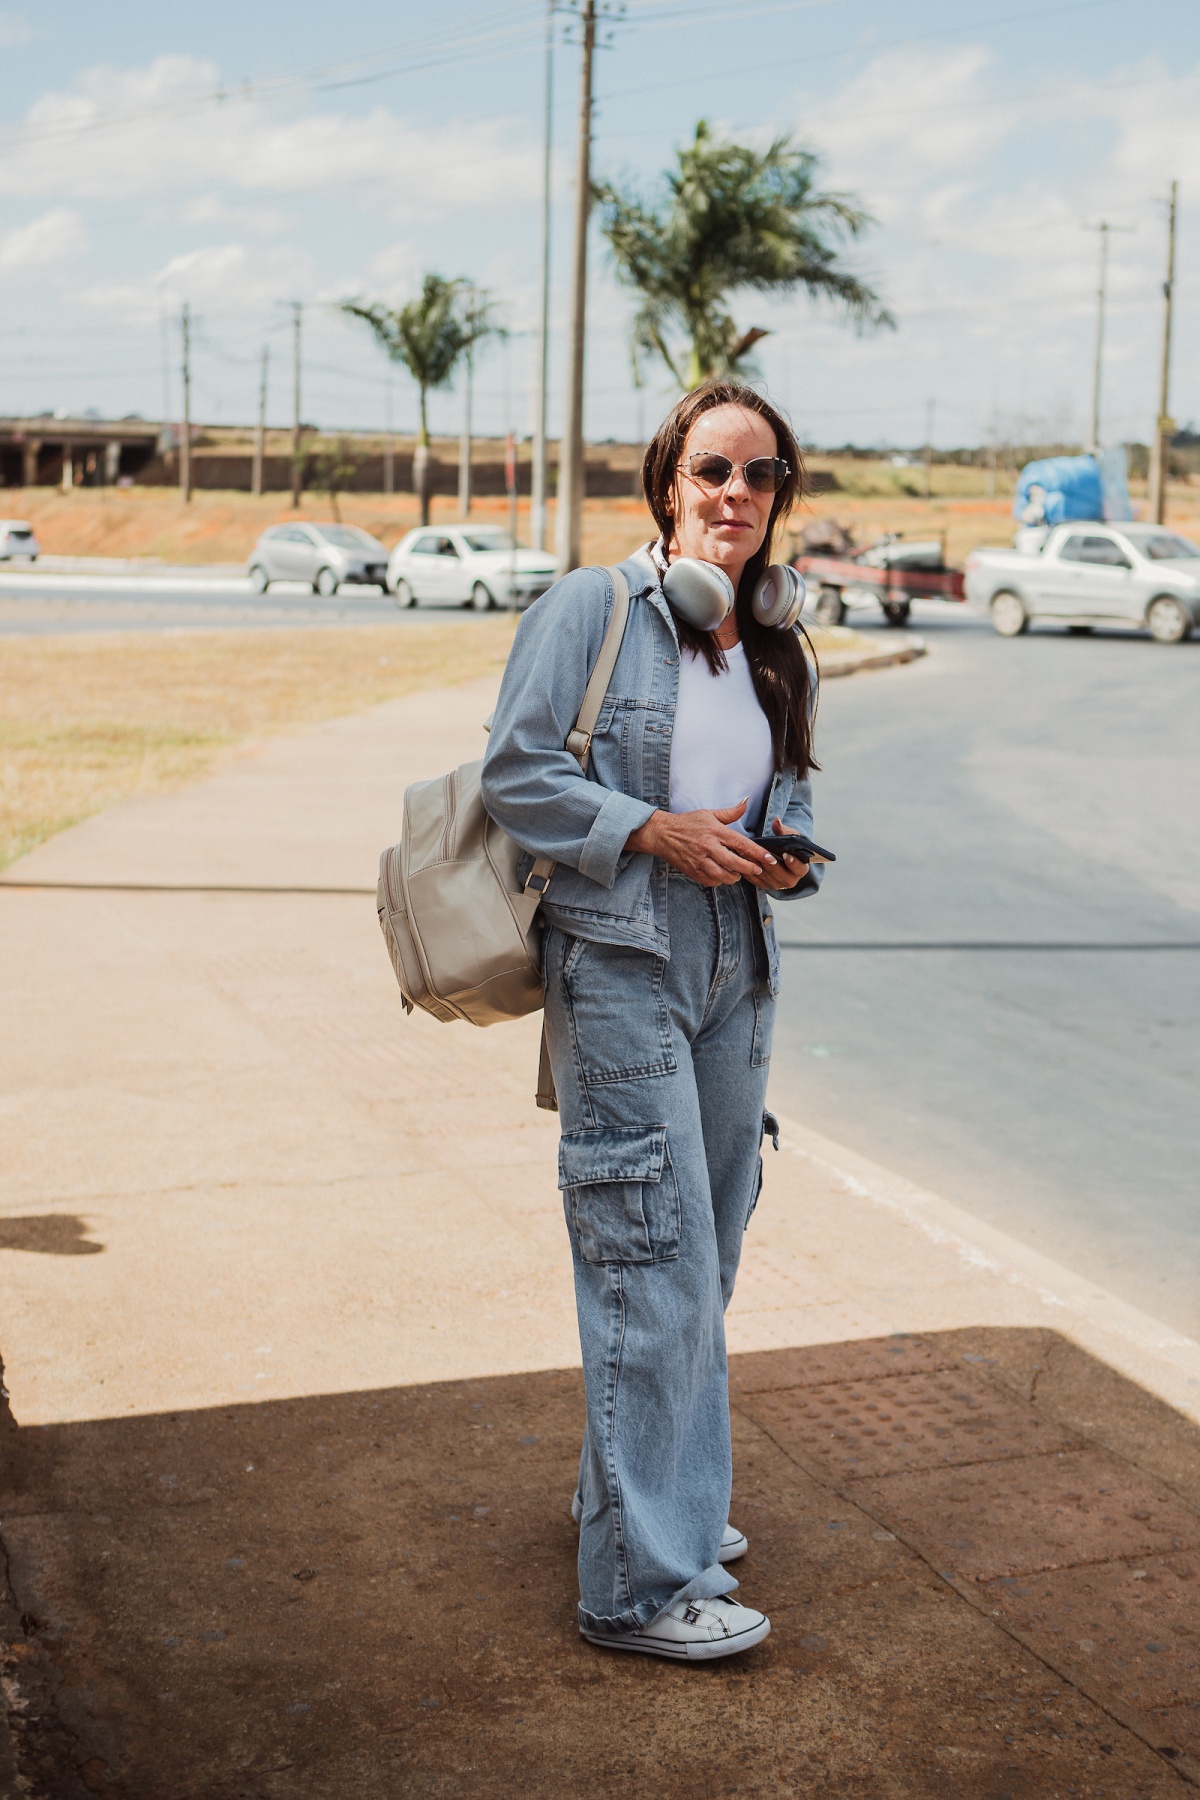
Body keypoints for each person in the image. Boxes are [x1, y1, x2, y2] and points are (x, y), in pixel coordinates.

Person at [481, 381, 822, 1661]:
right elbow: (519, 771)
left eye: (763, 475)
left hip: (740, 955)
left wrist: (786, 857)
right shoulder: (593, 609)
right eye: (713, 471)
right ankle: (639, 1589)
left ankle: (633, 1500)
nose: (738, 496)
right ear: (668, 484)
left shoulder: (776, 640)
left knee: (709, 1246)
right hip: (621, 954)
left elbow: (771, 806)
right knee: (651, 1249)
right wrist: (647, 831)